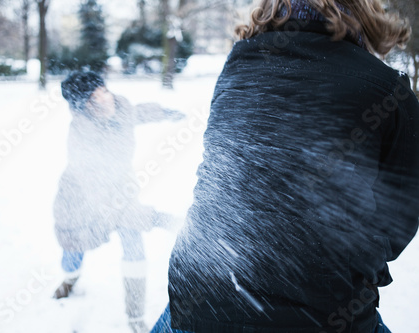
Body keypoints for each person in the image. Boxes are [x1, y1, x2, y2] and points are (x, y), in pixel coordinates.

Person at [152, 0, 419, 332]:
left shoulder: (239, 65)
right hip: (323, 315)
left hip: (200, 300)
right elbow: (399, 221)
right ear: (364, 10)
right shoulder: (390, 90)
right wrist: (351, 264)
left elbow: (224, 176)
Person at [53, 71, 184, 333]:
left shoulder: (121, 110)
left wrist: (167, 112)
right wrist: (156, 218)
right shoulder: (80, 135)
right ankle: (70, 278)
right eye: (94, 97)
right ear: (84, 107)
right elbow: (94, 185)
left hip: (122, 190)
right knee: (73, 249)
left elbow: (140, 112)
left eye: (103, 89)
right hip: (81, 200)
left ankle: (135, 316)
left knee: (134, 244)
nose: (105, 98)